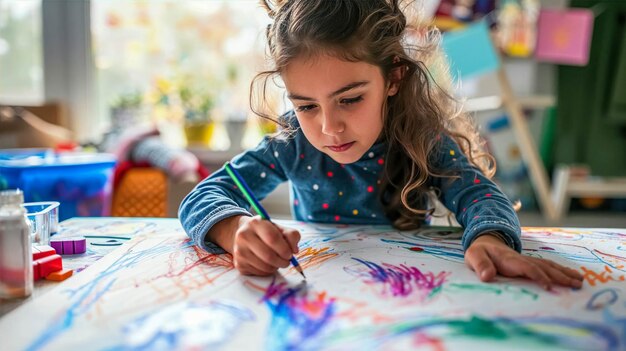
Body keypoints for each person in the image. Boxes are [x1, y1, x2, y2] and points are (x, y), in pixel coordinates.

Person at [179, 0, 583, 290]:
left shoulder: (421, 139)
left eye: (350, 99)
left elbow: (480, 195)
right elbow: (204, 195)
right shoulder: (293, 141)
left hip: (409, 298)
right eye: (305, 105)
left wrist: (489, 238)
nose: (329, 127)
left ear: (394, 79)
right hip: (323, 303)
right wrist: (235, 230)